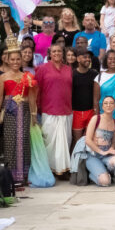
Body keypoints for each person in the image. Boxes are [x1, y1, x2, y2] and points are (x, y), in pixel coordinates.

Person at [0, 37, 37, 184]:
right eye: (12, 59)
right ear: (8, 60)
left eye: (18, 59)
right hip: (10, 110)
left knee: (24, 139)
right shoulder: (3, 77)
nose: (15, 62)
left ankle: (23, 175)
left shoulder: (27, 77)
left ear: (21, 60)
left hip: (24, 110)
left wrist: (34, 114)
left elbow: (31, 97)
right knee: (10, 141)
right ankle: (10, 176)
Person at [35, 43, 73, 176]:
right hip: (49, 109)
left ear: (62, 53)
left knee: (65, 141)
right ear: (49, 54)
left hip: (67, 110)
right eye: (54, 51)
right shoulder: (42, 69)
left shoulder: (68, 69)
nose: (56, 53)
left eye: (59, 51)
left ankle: (63, 170)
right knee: (50, 143)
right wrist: (36, 108)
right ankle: (52, 170)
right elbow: (37, 90)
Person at [84, 96, 115, 186]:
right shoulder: (96, 119)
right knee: (105, 182)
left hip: (106, 154)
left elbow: (113, 142)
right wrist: (101, 152)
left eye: (111, 103)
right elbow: (88, 140)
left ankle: (104, 171)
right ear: (102, 106)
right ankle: (94, 175)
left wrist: (111, 150)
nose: (108, 105)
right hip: (93, 155)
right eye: (105, 103)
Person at [71, 47, 98, 150]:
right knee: (78, 142)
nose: (88, 59)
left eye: (89, 57)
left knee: (88, 140)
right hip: (76, 113)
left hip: (91, 112)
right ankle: (76, 164)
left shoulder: (94, 74)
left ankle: (87, 164)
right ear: (78, 59)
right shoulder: (72, 74)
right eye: (85, 57)